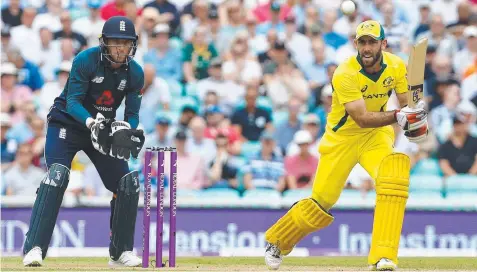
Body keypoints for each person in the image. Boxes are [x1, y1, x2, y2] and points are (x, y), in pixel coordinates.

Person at [263, 20, 429, 271]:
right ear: (356, 44)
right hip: (342, 139)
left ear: (383, 43)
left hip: (376, 136)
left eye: (372, 42)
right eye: (362, 42)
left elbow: (407, 104)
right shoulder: (344, 73)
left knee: (391, 180)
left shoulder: (395, 65)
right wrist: (399, 116)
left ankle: (384, 256)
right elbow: (361, 119)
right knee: (321, 203)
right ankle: (277, 240)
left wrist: (414, 117)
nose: (367, 47)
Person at [21, 16, 145, 268]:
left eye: (126, 43)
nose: (121, 48)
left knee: (128, 183)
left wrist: (127, 130)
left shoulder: (135, 73)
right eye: (115, 42)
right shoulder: (85, 60)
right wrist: (92, 124)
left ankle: (120, 252)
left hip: (102, 130)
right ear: (104, 43)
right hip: (67, 123)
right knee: (57, 176)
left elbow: (131, 115)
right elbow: (73, 102)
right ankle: (34, 248)